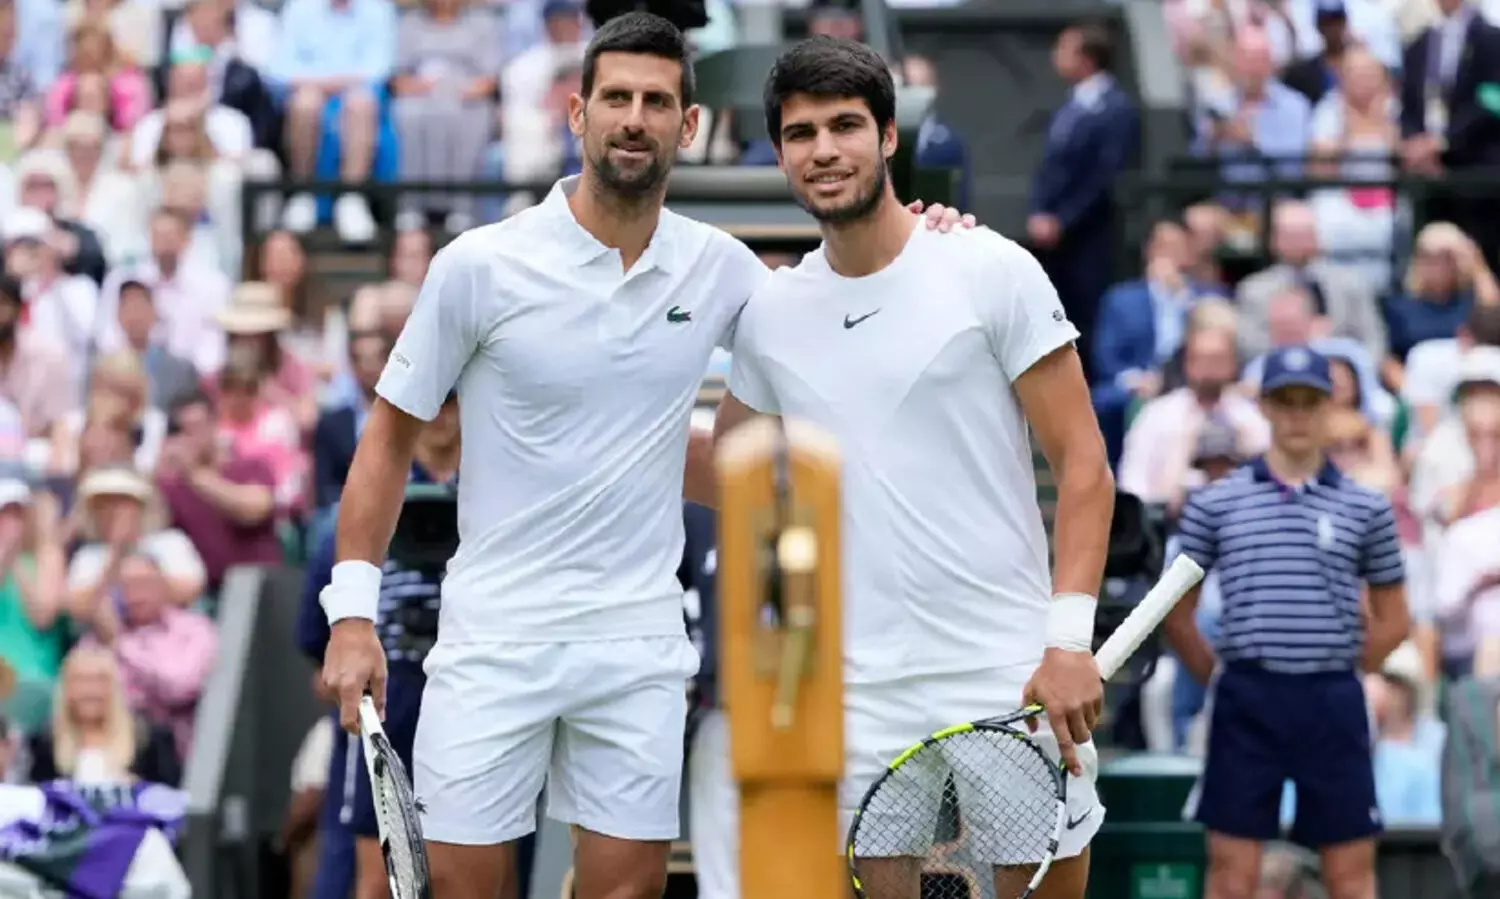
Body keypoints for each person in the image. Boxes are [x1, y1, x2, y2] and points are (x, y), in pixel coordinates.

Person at [315, 13, 972, 899]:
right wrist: (353, 612)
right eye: (616, 98)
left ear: (687, 126)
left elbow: (842, 321)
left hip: (639, 645)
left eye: (657, 102)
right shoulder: (479, 265)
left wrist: (924, 238)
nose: (635, 117)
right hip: (492, 639)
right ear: (576, 114)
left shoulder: (725, 272)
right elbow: (389, 437)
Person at [694, 36, 1115, 899]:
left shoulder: (989, 268)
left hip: (1008, 668)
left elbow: (1083, 465)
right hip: (854, 690)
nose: (824, 150)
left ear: (888, 136)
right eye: (801, 133)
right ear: (778, 154)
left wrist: (1068, 639)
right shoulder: (772, 314)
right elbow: (723, 471)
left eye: (845, 125)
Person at [1164, 346, 1410, 899]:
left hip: (1331, 699)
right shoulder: (1216, 503)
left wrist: (1340, 669)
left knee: (1351, 873)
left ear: (1329, 409)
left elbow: (1395, 620)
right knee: (1231, 876)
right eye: (1285, 401)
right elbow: (1176, 615)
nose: (1298, 414)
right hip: (1247, 696)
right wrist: (1224, 677)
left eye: (1310, 401)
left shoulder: (1366, 507)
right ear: (1266, 408)